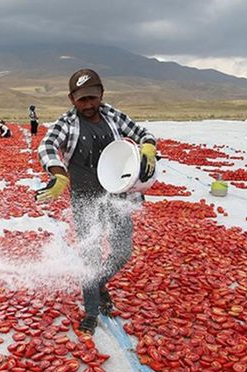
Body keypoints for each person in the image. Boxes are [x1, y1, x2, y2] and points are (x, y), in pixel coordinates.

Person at [36, 68, 157, 335]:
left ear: (101, 94)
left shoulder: (112, 114)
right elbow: (46, 146)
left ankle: (100, 283)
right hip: (85, 197)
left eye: (93, 97)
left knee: (122, 251)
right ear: (72, 99)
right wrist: (58, 174)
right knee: (90, 255)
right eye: (82, 100)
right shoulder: (67, 123)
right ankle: (91, 311)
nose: (88, 105)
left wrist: (148, 146)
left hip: (116, 194)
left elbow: (142, 133)